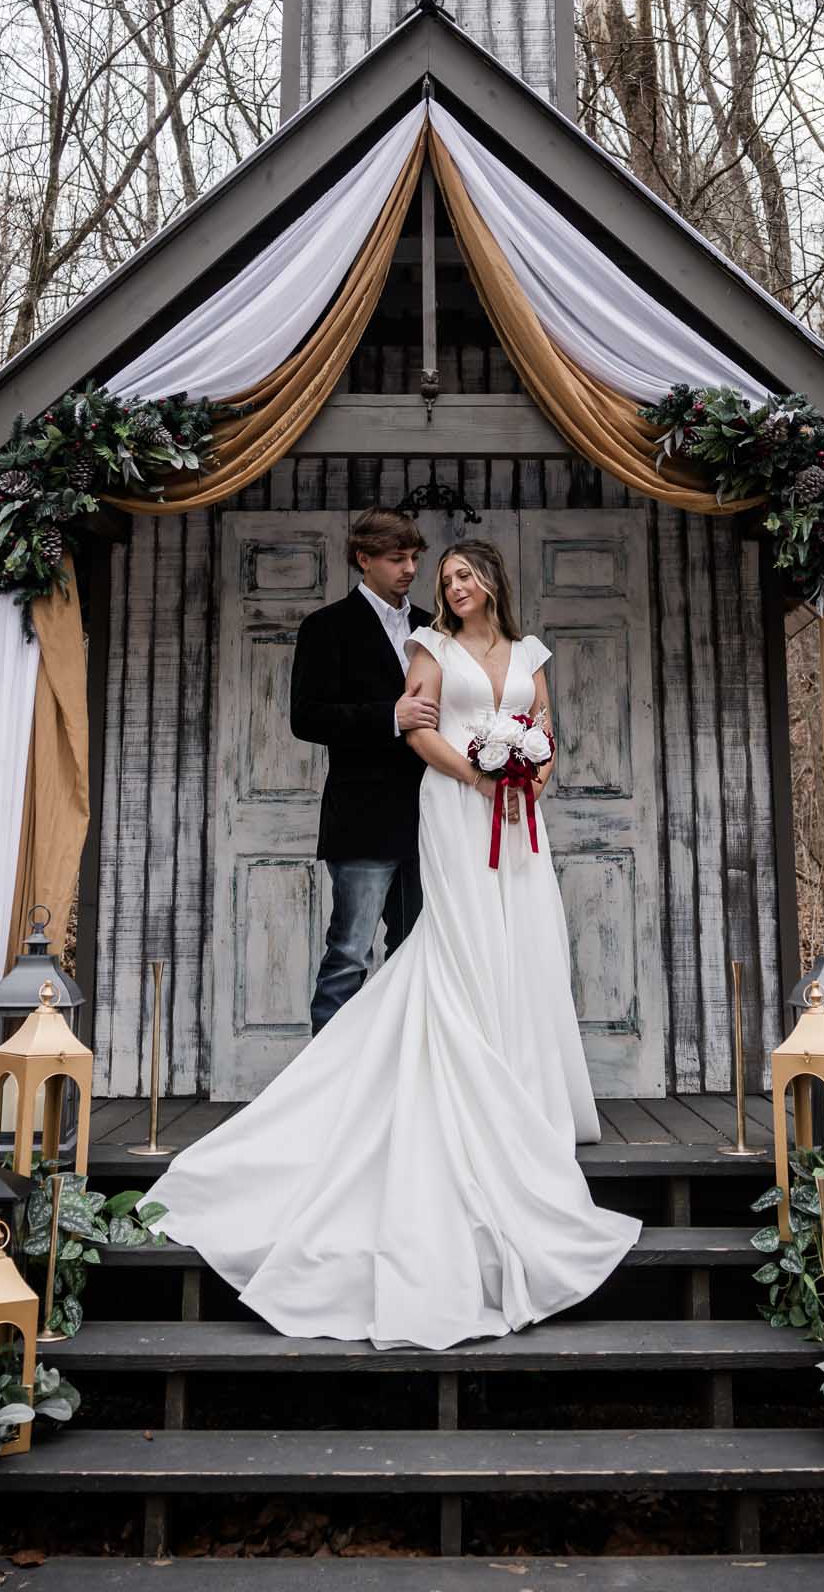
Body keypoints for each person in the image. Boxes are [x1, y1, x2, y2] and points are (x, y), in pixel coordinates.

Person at [143, 535, 640, 1351]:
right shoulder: (426, 645)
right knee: (440, 944)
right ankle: (361, 1084)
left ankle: (526, 1085)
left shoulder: (528, 649)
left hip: (521, 820)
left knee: (526, 941)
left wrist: (530, 773)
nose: (450, 583)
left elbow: (543, 722)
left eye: (462, 573)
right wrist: (482, 777)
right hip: (453, 806)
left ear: (492, 579)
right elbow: (414, 729)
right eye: (443, 576)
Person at [287, 507, 438, 1034]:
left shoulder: (432, 627)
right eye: (398, 558)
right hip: (363, 818)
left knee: (417, 950)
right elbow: (305, 717)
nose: (410, 568)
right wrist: (388, 717)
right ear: (363, 559)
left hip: (431, 819)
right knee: (349, 953)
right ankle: (328, 1093)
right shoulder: (326, 626)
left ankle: (398, 1076)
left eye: (415, 557)